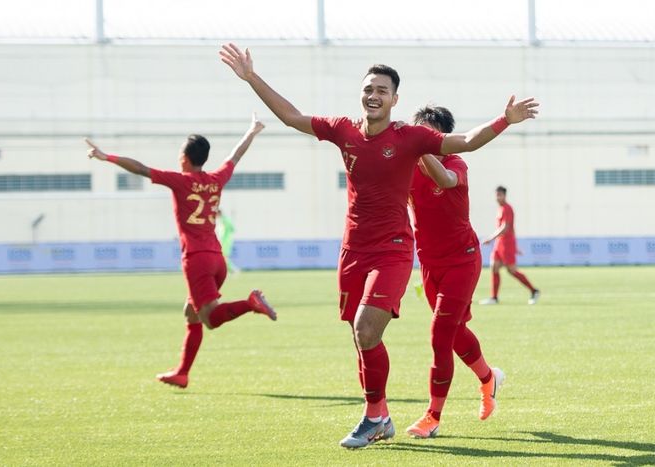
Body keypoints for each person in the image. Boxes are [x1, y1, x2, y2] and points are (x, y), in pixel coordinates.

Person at [219, 43, 538, 448]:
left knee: (371, 328)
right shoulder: (343, 130)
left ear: (395, 99)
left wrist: (505, 120)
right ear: (362, 93)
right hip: (354, 250)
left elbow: (468, 141)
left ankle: (392, 415)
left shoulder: (411, 138)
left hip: (396, 249)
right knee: (362, 337)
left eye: (382, 90)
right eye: (369, 88)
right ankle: (384, 414)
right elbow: (291, 116)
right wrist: (251, 78)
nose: (374, 94)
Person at [85, 113, 277, 389]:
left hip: (197, 260)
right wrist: (252, 131)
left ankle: (251, 303)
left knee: (210, 319)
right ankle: (182, 372)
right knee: (192, 313)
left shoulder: (180, 180)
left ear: (185, 158)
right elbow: (235, 157)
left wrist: (106, 157)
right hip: (217, 259)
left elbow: (140, 169)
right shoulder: (215, 179)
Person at [404, 106, 504, 439]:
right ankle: (489, 378)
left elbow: (444, 181)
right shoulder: (407, 168)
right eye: (420, 132)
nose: (423, 139)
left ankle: (432, 417)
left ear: (444, 138)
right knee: (455, 331)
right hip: (430, 264)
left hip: (463, 260)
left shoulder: (455, 164)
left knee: (440, 334)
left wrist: (419, 148)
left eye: (430, 134)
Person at [480, 186, 540, 305]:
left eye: (499, 195)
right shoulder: (500, 208)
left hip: (506, 243)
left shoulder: (508, 208)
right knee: (494, 267)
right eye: (496, 195)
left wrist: (491, 238)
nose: (497, 197)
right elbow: (510, 228)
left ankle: (534, 291)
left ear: (504, 195)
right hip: (500, 243)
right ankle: (494, 297)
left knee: (511, 270)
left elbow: (506, 227)